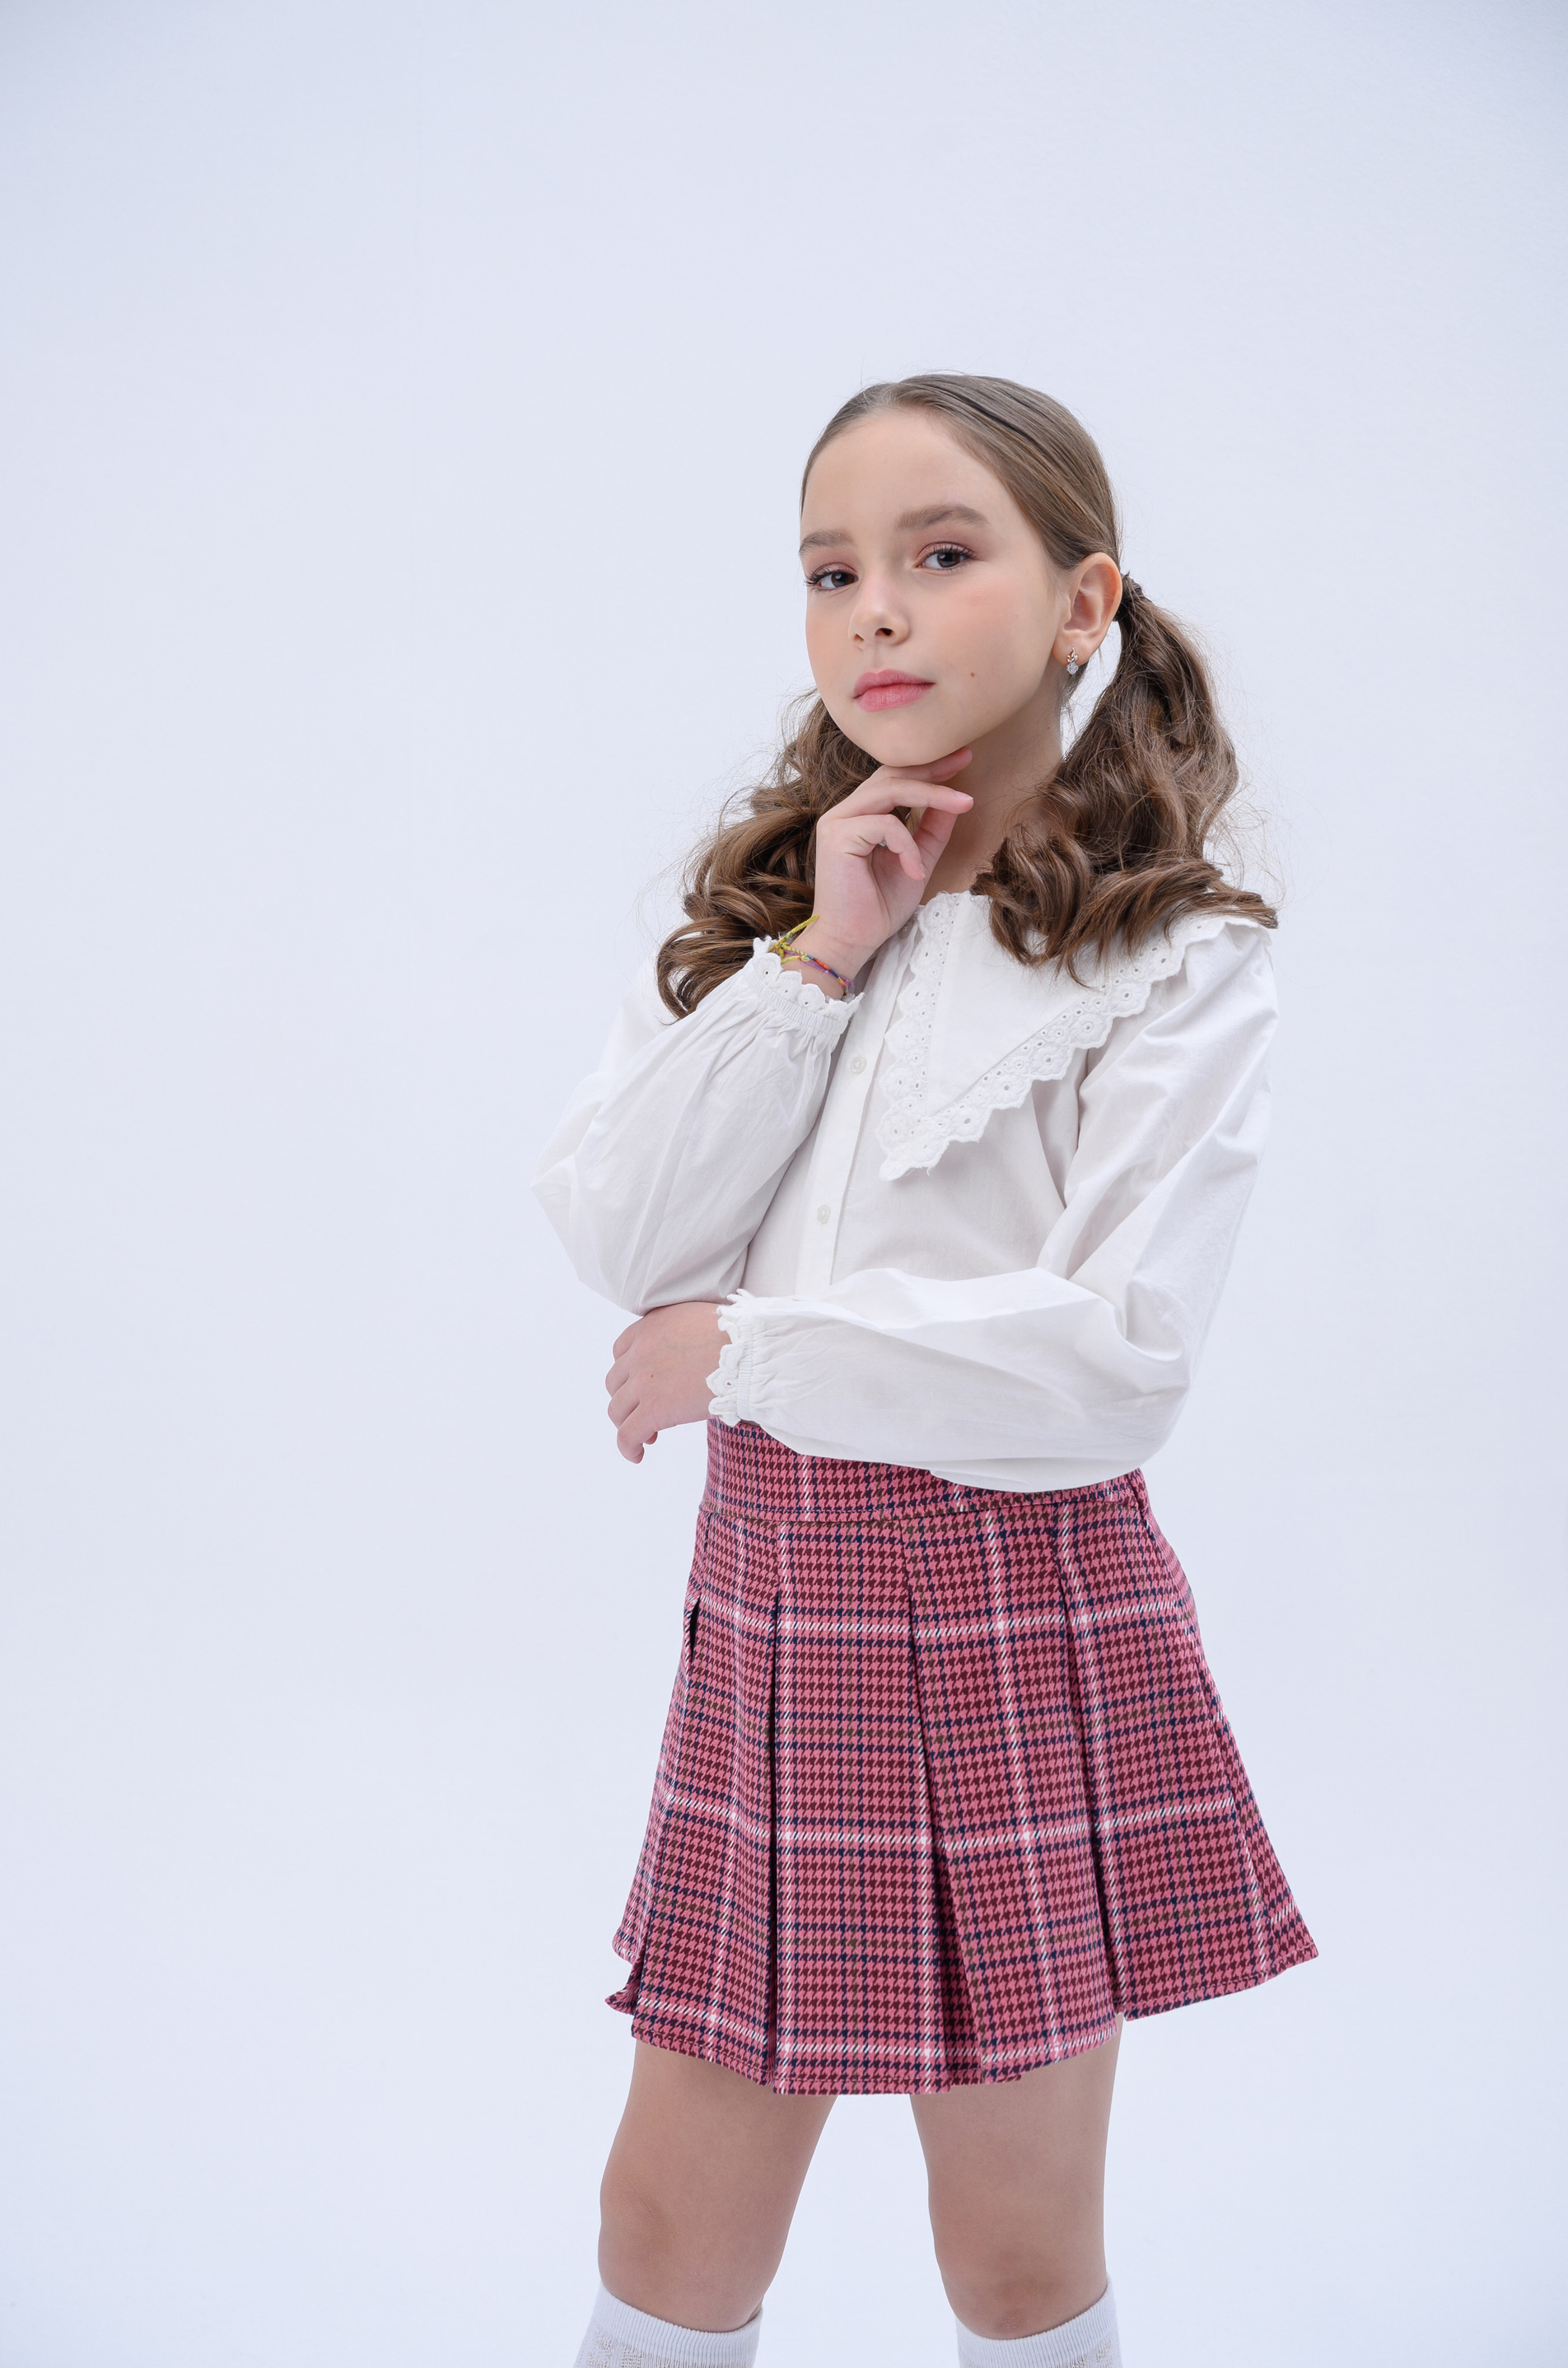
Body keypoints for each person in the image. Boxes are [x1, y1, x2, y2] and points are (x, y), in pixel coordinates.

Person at [534, 374, 1316, 2368]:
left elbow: (1119, 1360)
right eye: (831, 572)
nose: (874, 607)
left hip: (1015, 1609)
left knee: (1017, 2253)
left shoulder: (1175, 954)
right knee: (666, 2226)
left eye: (940, 553)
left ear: (1082, 605)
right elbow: (621, 1231)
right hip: (777, 1609)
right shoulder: (781, 921)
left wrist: (748, 1351)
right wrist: (819, 959)